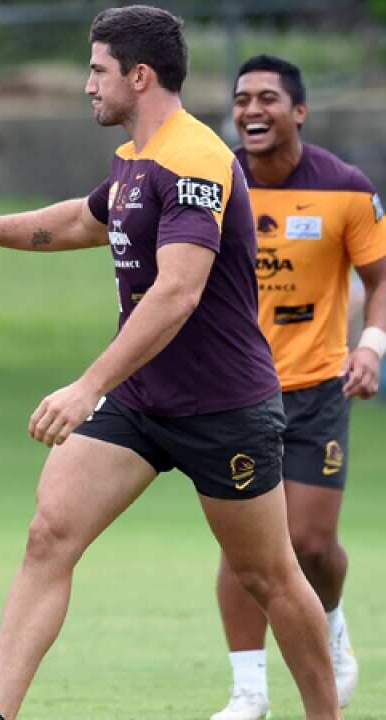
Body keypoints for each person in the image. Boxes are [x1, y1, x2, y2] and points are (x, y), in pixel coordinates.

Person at [0, 7, 339, 720]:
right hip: (139, 400)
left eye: (97, 70)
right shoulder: (135, 157)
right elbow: (84, 220)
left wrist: (84, 385)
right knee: (49, 534)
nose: (86, 85)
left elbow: (177, 293)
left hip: (223, 407)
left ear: (139, 75)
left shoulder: (194, 158)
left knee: (270, 576)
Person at [209, 54, 386, 720]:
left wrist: (370, 346)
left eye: (267, 99)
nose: (252, 110)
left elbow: (381, 278)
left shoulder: (345, 188)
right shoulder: (216, 182)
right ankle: (248, 692)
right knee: (247, 541)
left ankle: (333, 624)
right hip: (234, 391)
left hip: (317, 389)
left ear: (299, 112)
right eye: (241, 99)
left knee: (309, 546)